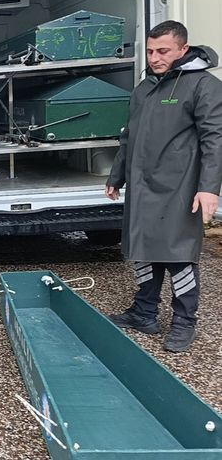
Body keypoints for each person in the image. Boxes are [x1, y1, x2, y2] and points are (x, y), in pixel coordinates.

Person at [106, 21, 222, 352]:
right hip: (142, 185)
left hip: (180, 187)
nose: (155, 58)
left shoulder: (204, 85)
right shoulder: (145, 88)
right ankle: (144, 313)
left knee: (178, 253)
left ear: (183, 49)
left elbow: (215, 139)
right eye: (150, 51)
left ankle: (184, 322)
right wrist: (116, 176)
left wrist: (209, 188)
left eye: (163, 51)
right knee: (143, 248)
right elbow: (129, 137)